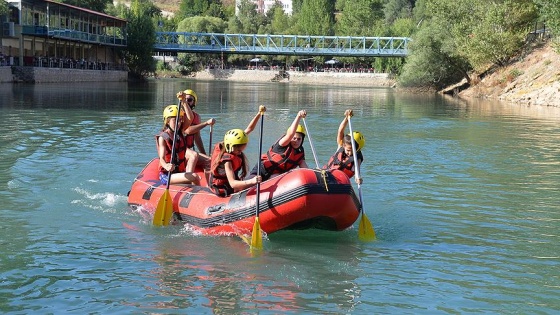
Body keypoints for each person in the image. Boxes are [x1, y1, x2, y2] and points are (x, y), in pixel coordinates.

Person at [210, 106, 265, 197]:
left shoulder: (232, 142)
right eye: (239, 150)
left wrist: (259, 114)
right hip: (223, 187)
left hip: (230, 183)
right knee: (251, 184)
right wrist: (252, 181)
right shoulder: (227, 161)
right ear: (230, 147)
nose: (240, 153)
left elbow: (249, 129)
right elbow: (233, 184)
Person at [249, 110, 309, 181]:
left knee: (276, 177)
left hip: (276, 176)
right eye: (294, 138)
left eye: (299, 139)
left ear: (302, 140)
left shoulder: (300, 152)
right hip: (262, 170)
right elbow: (290, 134)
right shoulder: (283, 143)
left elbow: (305, 169)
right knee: (247, 183)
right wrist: (298, 116)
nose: (296, 141)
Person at [156, 103, 201, 186]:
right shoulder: (163, 137)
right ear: (167, 121)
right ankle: (198, 194)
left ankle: (193, 192)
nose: (179, 123)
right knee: (194, 176)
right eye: (175, 120)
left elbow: (190, 117)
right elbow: (161, 159)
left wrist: (184, 102)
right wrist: (166, 166)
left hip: (179, 172)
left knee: (195, 177)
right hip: (167, 175)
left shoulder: (180, 132)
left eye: (180, 120)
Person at [177, 89, 216, 170]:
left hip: (188, 150)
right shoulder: (178, 115)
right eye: (186, 99)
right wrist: (206, 123)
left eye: (190, 100)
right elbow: (187, 131)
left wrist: (204, 153)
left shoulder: (197, 117)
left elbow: (197, 138)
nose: (187, 101)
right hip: (179, 149)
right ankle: (187, 178)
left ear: (194, 102)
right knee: (195, 156)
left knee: (210, 161)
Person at [324, 109, 365, 184]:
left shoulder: (357, 158)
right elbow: (340, 130)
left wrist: (358, 178)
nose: (349, 153)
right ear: (344, 145)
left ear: (357, 149)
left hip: (339, 182)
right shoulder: (341, 145)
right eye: (348, 150)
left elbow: (357, 169)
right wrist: (346, 118)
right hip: (326, 175)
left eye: (352, 151)